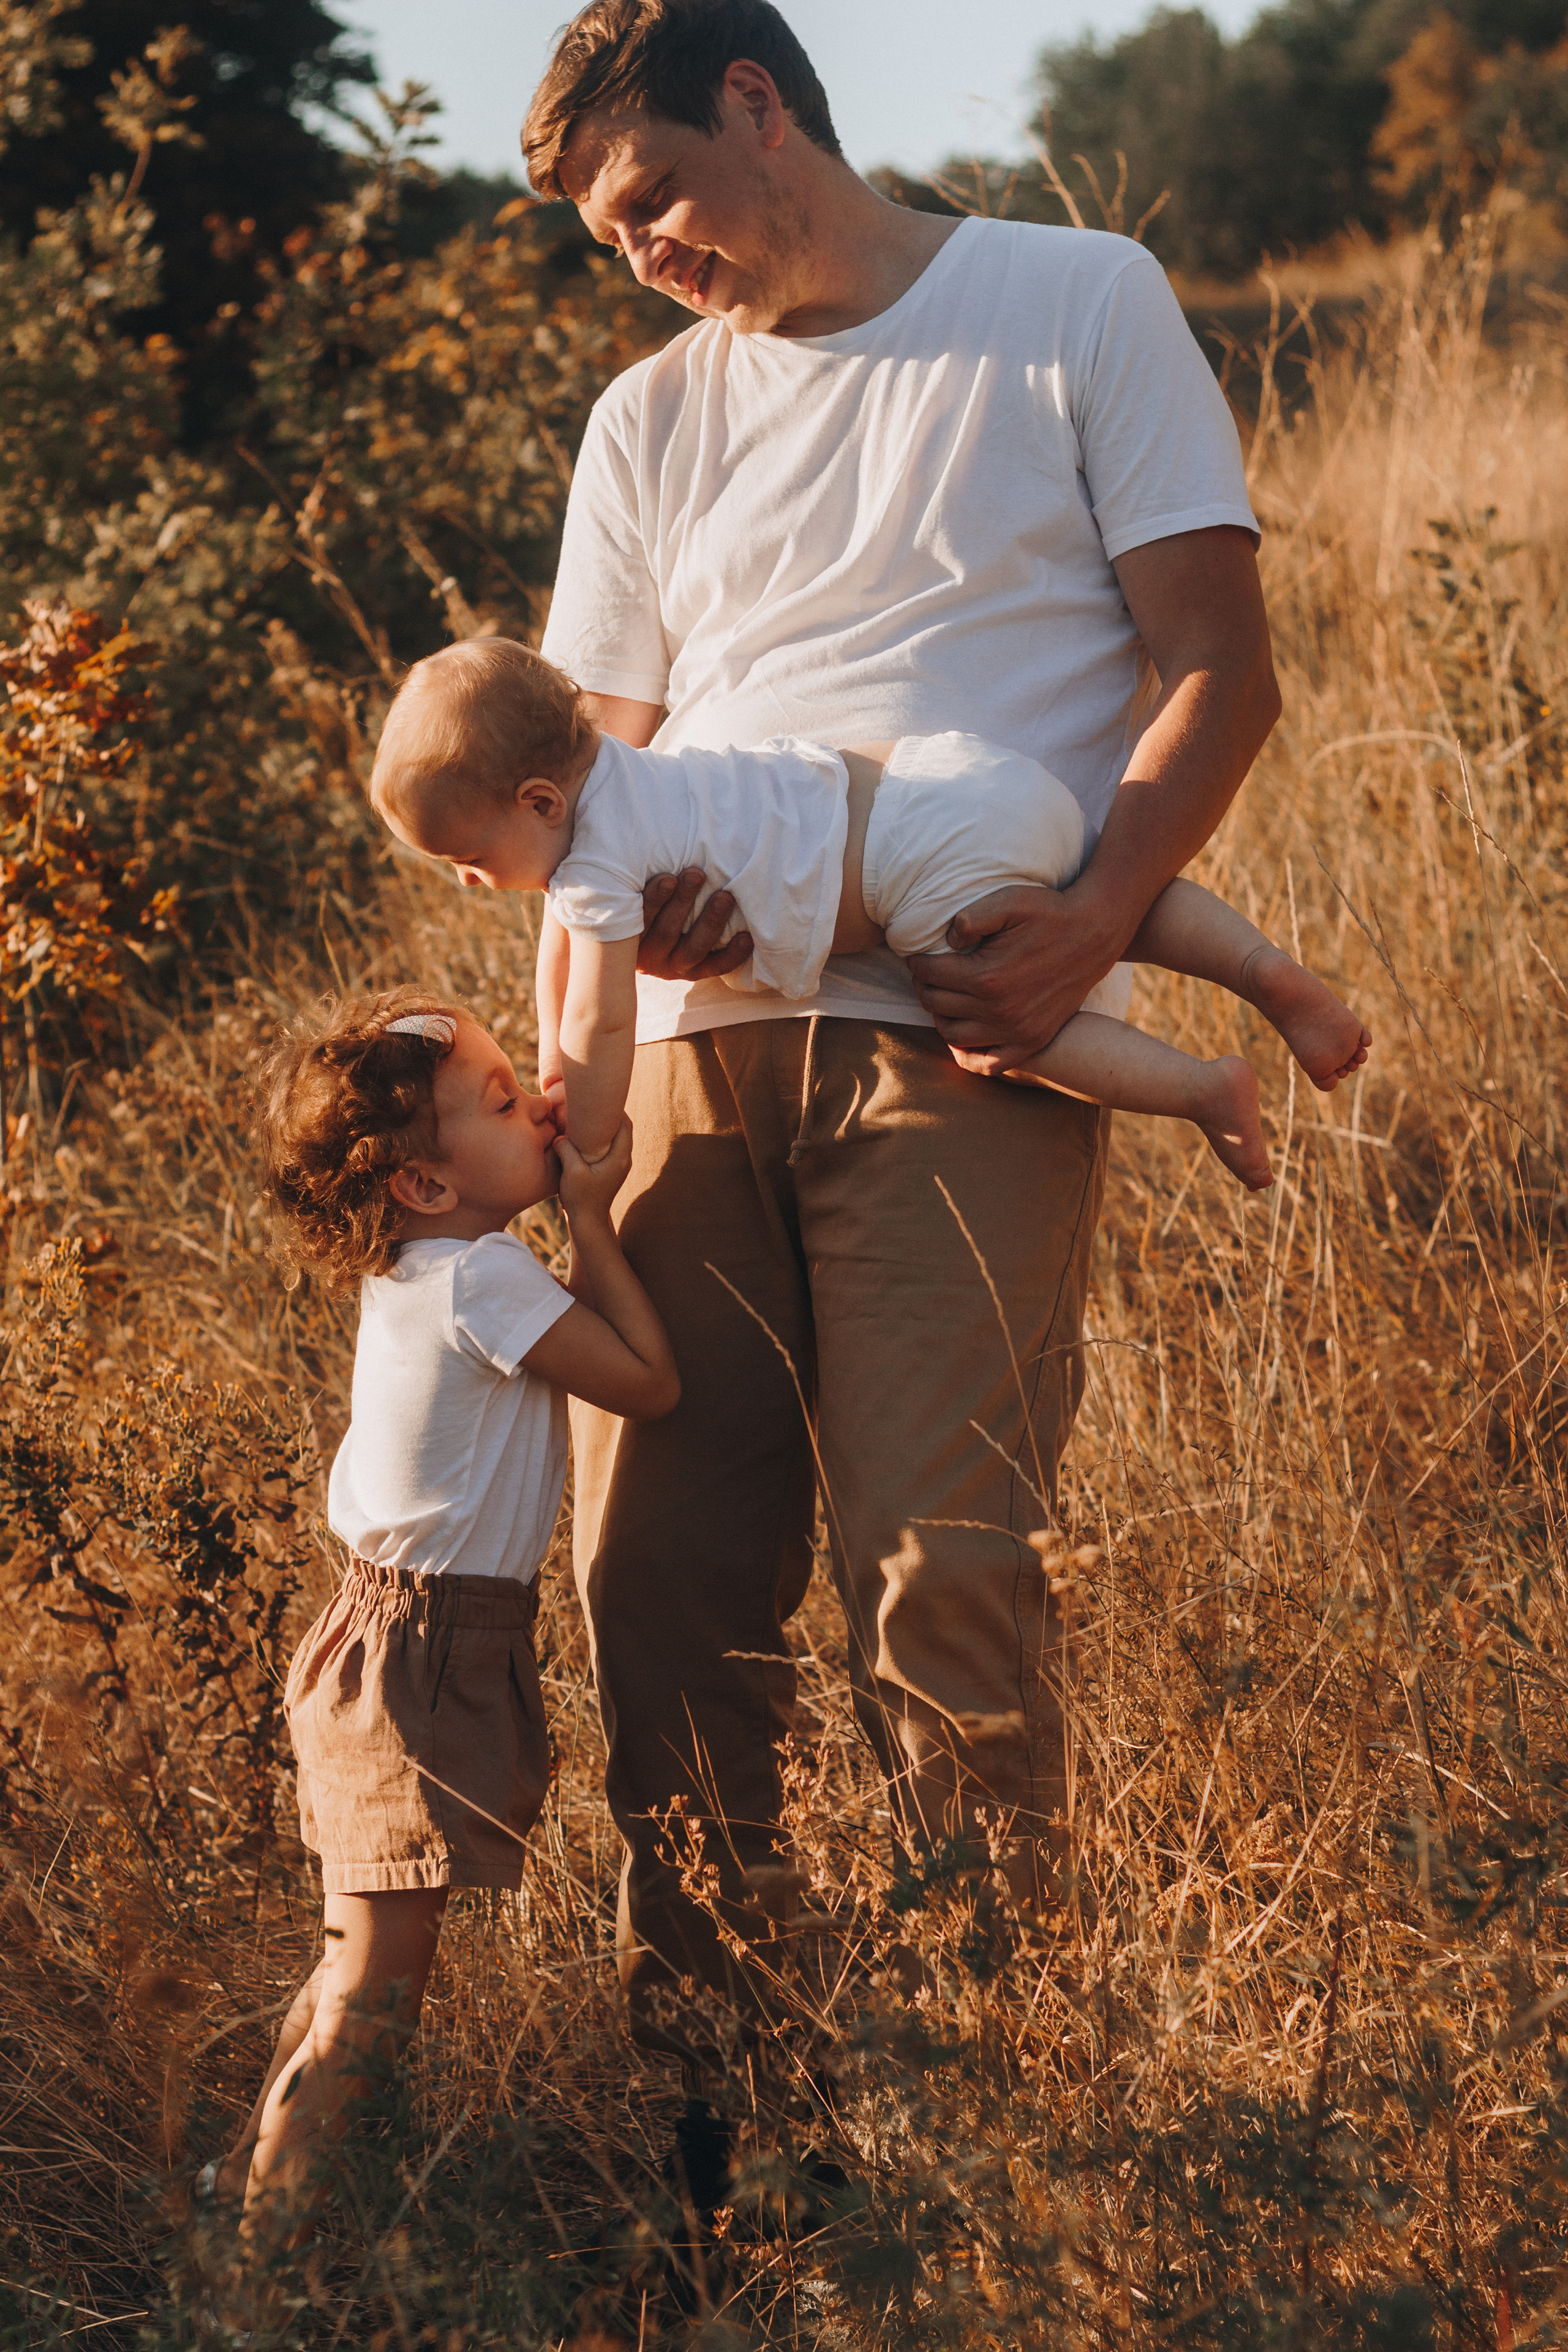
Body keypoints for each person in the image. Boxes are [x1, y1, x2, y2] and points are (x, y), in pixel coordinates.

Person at [518, 0, 1285, 2108]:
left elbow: (1221, 667)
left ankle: (996, 2157)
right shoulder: (647, 426)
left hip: (965, 1042)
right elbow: (584, 803)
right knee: (660, 1605)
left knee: (938, 1583)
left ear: (761, 106)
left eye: (652, 195)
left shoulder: (1074, 298)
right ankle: (722, 2138)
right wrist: (574, 1100)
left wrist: (1099, 928)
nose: (643, 250)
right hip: (693, 1059)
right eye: (609, 234)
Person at [203, 987, 676, 2285]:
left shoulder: (430, 1269)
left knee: (357, 1961)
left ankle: (256, 2196)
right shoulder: (481, 1277)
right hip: (412, 1660)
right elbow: (649, 1383)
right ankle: (259, 2268)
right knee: (374, 1991)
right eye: (494, 1098)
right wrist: (589, 1214)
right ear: (421, 1184)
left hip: (385, 1639)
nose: (531, 1095)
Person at [371, 638, 1368, 1194]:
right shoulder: (643, 780)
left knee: (1000, 1026)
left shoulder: (594, 856)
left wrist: (588, 1142)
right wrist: (548, 1054)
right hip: (950, 778)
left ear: (543, 804)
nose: (468, 882)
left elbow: (597, 1016)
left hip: (913, 863)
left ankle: (1201, 1088)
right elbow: (568, 978)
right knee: (1107, 891)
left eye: (467, 859)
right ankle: (1267, 972)